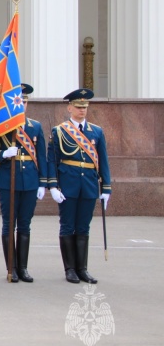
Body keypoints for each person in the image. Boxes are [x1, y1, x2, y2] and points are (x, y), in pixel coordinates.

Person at [48, 88, 111, 285]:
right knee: (68, 225)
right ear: (69, 108)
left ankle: (82, 268)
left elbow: (103, 161)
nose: (82, 110)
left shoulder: (96, 131)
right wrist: (53, 186)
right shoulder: (59, 131)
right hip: (68, 183)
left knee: (83, 227)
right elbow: (52, 161)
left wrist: (106, 188)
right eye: (78, 107)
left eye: (84, 107)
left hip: (89, 185)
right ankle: (70, 269)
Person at [0, 84, 47, 283]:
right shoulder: (2, 127)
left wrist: (43, 183)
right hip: (7, 181)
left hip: (29, 180)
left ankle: (23, 267)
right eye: (19, 101)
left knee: (25, 226)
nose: (23, 104)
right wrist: (3, 154)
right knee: (8, 224)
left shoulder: (35, 127)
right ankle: (10, 267)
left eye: (25, 101)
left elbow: (42, 156)